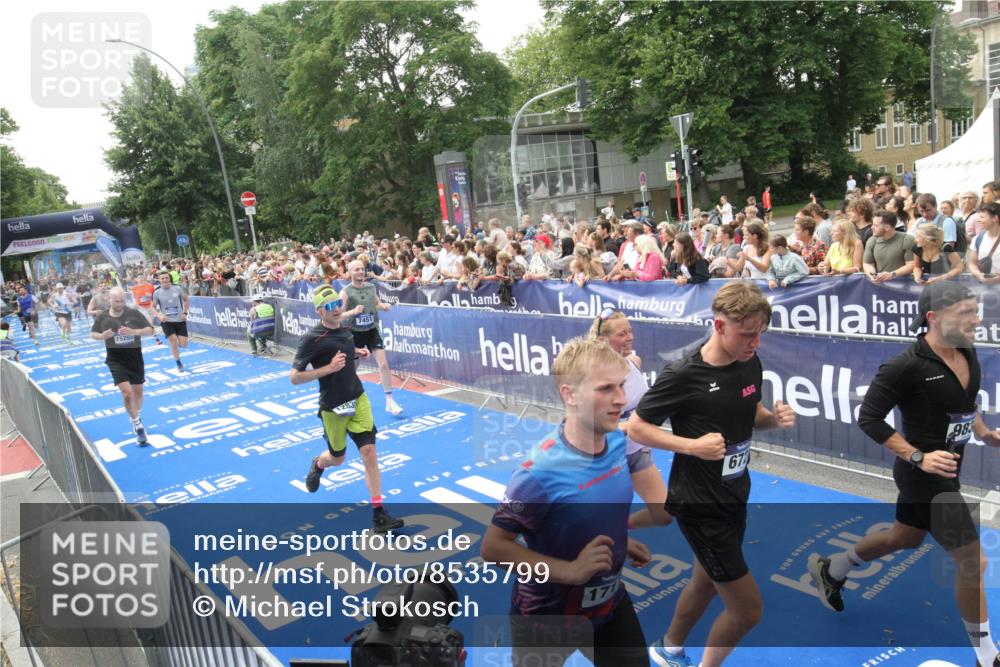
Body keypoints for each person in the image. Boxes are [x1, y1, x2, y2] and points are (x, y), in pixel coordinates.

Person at [807, 281, 1000, 667]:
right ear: (934, 317)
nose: (976, 319)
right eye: (966, 312)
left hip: (946, 470)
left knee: (904, 537)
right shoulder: (905, 366)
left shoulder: (966, 349)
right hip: (923, 476)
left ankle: (833, 568)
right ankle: (987, 656)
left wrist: (985, 434)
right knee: (973, 561)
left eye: (976, 310)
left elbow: (965, 403)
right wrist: (917, 456)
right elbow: (869, 417)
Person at [628, 281, 796, 667]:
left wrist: (774, 419)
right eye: (747, 334)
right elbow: (637, 428)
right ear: (719, 326)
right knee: (747, 612)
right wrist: (691, 446)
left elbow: (752, 415)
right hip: (700, 505)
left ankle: (669, 648)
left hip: (734, 493)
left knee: (705, 582)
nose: (755, 342)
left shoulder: (749, 362)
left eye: (760, 333)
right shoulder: (683, 373)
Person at [481, 337, 651, 666]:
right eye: (606, 389)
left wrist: (620, 539)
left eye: (621, 385)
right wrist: (570, 571)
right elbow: (493, 548)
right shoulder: (538, 473)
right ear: (570, 395)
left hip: (608, 603)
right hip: (546, 617)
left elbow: (586, 512)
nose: (621, 398)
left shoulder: (618, 442)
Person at [293, 285, 404, 534]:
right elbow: (295, 377)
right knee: (337, 458)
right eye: (330, 306)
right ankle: (318, 465)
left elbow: (341, 346)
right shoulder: (312, 338)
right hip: (333, 406)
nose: (336, 309)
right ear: (319, 311)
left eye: (338, 304)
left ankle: (379, 515)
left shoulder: (345, 330)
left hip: (358, 397)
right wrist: (328, 369)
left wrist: (357, 351)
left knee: (369, 453)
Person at [590, 309, 672, 528]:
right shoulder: (594, 375)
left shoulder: (634, 361)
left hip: (637, 451)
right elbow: (592, 426)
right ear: (603, 340)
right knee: (599, 520)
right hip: (606, 457)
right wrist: (631, 426)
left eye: (630, 331)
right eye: (621, 334)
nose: (629, 337)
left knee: (664, 514)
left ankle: (622, 528)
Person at [90, 287, 155, 445]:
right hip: (115, 360)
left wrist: (135, 332)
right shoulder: (103, 316)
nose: (120, 304)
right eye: (116, 301)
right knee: (127, 393)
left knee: (138, 393)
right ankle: (138, 425)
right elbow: (93, 333)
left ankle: (136, 415)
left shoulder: (133, 313)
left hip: (134, 358)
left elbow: (151, 330)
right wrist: (101, 336)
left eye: (122, 301)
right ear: (109, 300)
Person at [340, 260, 403, 416]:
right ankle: (348, 399)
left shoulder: (371, 287)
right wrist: (353, 311)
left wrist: (384, 306)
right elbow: (339, 316)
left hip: (372, 330)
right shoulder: (346, 292)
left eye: (362, 269)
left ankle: (390, 401)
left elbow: (377, 303)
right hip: (355, 333)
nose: (361, 272)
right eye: (356, 269)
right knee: (352, 370)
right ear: (350, 272)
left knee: (383, 364)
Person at [863, 210, 916, 283]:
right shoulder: (872, 241)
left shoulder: (907, 240)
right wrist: (873, 275)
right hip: (880, 285)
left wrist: (892, 274)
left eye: (876, 225)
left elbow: (912, 264)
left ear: (887, 227)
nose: (872, 227)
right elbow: (868, 263)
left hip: (903, 284)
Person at [151, 270, 190, 371]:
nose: (165, 280)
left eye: (166, 278)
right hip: (167, 321)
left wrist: (185, 313)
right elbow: (153, 307)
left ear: (170, 279)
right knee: (173, 341)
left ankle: (178, 345)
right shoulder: (156, 292)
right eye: (162, 278)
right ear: (159, 280)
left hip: (179, 320)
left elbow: (186, 299)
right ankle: (179, 363)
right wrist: (159, 316)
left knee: (184, 344)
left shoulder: (177, 288)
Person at [969, 201, 1000, 285]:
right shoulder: (978, 238)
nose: (979, 220)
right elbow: (972, 263)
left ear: (995, 218)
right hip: (984, 288)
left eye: (982, 217)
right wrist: (979, 275)